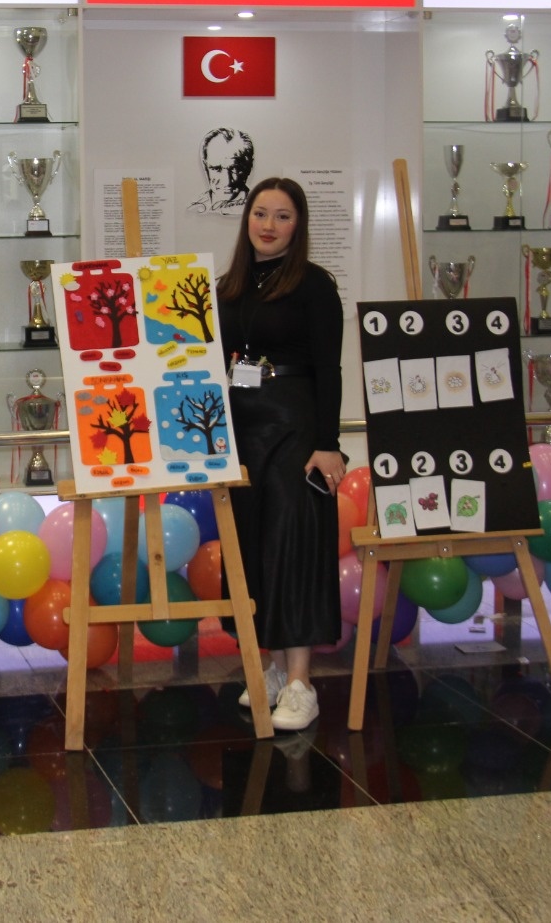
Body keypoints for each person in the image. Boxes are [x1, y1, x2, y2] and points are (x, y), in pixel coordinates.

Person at [216, 177, 344, 732]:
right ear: (246, 219)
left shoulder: (314, 285)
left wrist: (328, 444)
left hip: (295, 425)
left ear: (299, 225)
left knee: (293, 544)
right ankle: (265, 667)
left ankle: (300, 684)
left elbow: (330, 369)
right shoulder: (227, 286)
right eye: (260, 213)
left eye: (283, 216)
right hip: (241, 428)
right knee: (249, 546)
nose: (268, 225)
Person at [187, 127, 255, 214]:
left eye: (234, 169)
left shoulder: (259, 206)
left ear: (249, 167)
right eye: (216, 168)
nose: (227, 181)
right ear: (205, 167)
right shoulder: (194, 209)